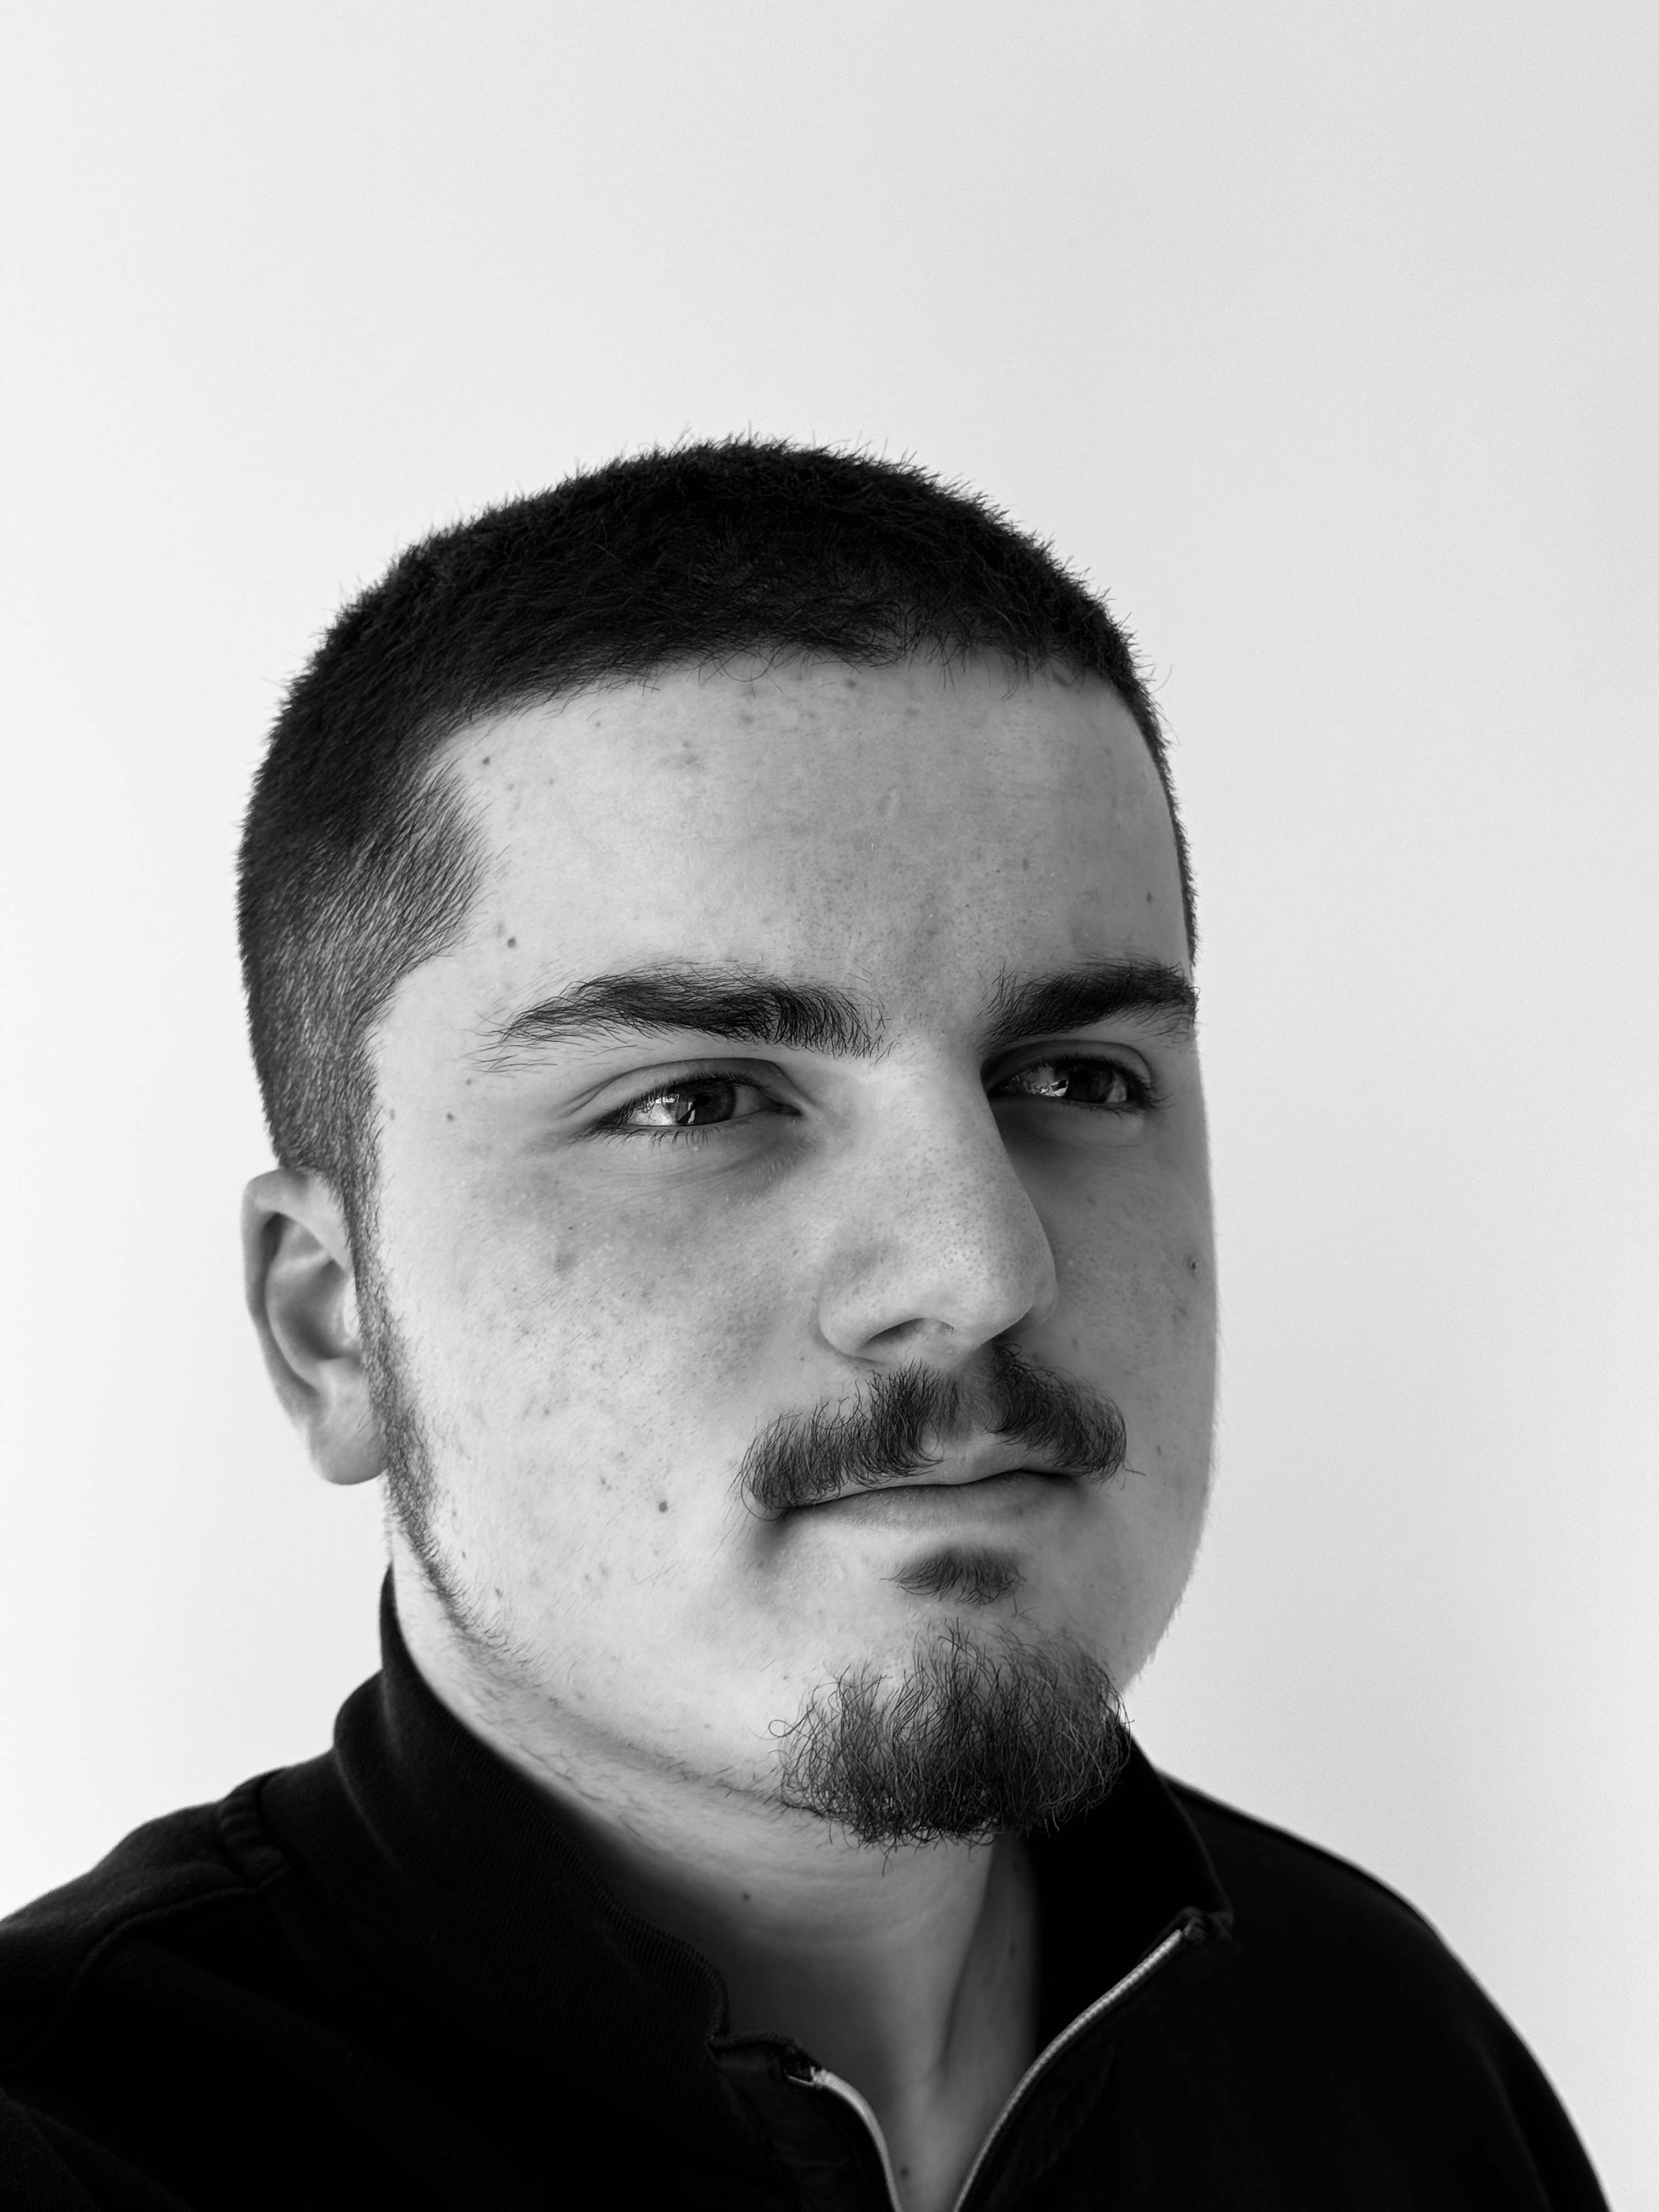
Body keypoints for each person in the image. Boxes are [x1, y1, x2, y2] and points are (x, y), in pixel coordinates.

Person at [0, 441, 1606, 2211]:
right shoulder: (84, 2142)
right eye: (698, 1101)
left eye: (1074, 1076)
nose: (981, 1268)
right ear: (335, 1326)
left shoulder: (1382, 2057)